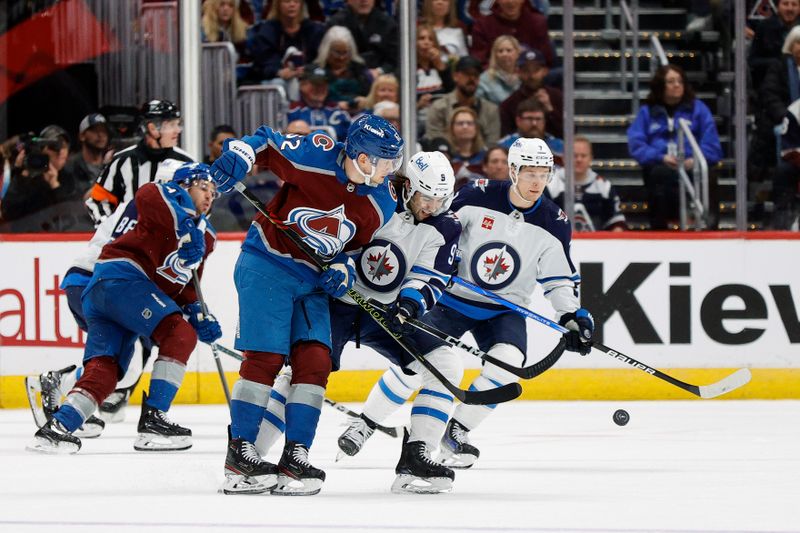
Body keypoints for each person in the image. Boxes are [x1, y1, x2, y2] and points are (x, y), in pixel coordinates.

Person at [333, 137, 593, 469]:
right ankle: (366, 423)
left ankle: (457, 430)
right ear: (513, 170)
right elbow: (437, 229)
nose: (537, 181)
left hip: (503, 310)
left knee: (507, 361)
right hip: (451, 299)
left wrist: (570, 316)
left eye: (544, 173)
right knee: (418, 362)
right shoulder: (475, 196)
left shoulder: (554, 222)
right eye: (529, 172)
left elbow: (559, 279)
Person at [209, 113, 403, 496]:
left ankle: (295, 456)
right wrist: (241, 155)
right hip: (267, 263)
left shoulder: (382, 201)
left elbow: (354, 248)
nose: (390, 171)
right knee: (265, 358)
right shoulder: (315, 156)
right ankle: (239, 454)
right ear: (363, 159)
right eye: (386, 162)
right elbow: (264, 142)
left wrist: (345, 269)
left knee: (315, 360)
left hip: (313, 282)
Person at [253, 151, 463, 493]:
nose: (431, 207)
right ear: (408, 187)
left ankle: (416, 457)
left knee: (445, 364)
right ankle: (253, 458)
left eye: (440, 200)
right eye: (426, 198)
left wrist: (410, 304)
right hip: (336, 303)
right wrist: (336, 265)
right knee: (303, 373)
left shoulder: (445, 226)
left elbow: (431, 276)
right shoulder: (378, 199)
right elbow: (337, 238)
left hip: (387, 312)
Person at [26, 163, 222, 454]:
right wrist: (184, 223)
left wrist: (197, 312)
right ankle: (155, 418)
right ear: (183, 186)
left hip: (110, 293)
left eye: (214, 193)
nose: (209, 196)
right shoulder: (167, 196)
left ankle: (57, 429)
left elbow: (183, 285)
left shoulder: (205, 237)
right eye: (203, 187)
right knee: (179, 335)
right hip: (123, 280)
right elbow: (147, 194)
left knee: (108, 369)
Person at [627, 64, 723, 229]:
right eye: (671, 81)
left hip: (691, 165)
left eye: (679, 81)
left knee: (710, 173)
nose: (677, 85)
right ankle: (659, 229)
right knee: (657, 175)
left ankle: (711, 225)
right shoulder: (647, 112)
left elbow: (712, 145)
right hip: (662, 165)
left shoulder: (698, 109)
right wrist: (660, 157)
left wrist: (694, 159)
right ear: (661, 86)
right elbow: (636, 145)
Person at [85, 99, 194, 225]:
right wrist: (110, 230)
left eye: (178, 124)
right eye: (171, 125)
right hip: (131, 243)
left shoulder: (187, 164)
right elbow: (97, 202)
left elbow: (200, 206)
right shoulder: (121, 161)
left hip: (173, 243)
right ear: (152, 128)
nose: (177, 130)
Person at [547, 137, 627, 232]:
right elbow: (540, 220)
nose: (579, 160)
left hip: (596, 244)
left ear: (591, 158)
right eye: (574, 155)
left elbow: (617, 223)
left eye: (583, 155)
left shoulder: (604, 186)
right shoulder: (550, 184)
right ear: (564, 158)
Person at [247, 0, 325, 97]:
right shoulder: (267, 31)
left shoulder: (313, 30)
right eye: (287, 1)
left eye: (296, 1)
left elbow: (319, 61)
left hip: (306, 77)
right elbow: (264, 63)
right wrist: (278, 72)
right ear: (278, 5)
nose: (292, 5)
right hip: (277, 80)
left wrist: (307, 70)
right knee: (278, 84)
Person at [425, 56, 501, 145]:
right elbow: (435, 141)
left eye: (476, 75)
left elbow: (492, 144)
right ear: (455, 76)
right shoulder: (439, 107)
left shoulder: (490, 110)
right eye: (467, 74)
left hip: (482, 157)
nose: (472, 78)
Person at [469, 0, 554, 68]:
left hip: (531, 77)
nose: (510, 1)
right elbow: (479, 61)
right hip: (496, 79)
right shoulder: (482, 25)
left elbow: (546, 60)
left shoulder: (538, 22)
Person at [499, 48, 563, 138]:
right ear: (518, 72)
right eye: (526, 70)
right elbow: (506, 138)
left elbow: (569, 134)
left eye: (536, 70)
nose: (531, 75)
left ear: (545, 71)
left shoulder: (557, 97)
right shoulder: (509, 104)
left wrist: (550, 110)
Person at [326, 0, 399, 77]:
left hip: (380, 80)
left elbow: (395, 60)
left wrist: (380, 71)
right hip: (346, 78)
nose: (364, 1)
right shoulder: (336, 23)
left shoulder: (388, 24)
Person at [313, 25, 373, 113]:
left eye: (345, 52)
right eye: (337, 52)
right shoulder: (316, 70)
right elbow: (312, 99)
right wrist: (335, 105)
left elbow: (372, 95)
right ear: (327, 50)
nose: (341, 58)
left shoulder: (360, 70)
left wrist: (365, 100)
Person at [287, 65, 352, 141]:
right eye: (316, 84)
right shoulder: (291, 111)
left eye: (324, 84)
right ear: (302, 85)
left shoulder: (340, 113)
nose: (320, 88)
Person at [750, 0, 800, 91]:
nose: (790, 8)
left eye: (794, 4)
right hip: (772, 85)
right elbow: (753, 61)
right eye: (785, 4)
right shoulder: (764, 27)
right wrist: (780, 63)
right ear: (777, 7)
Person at [498, 98, 564, 163]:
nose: (534, 123)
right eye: (529, 118)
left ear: (544, 121)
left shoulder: (559, 146)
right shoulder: (504, 146)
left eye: (538, 119)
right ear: (518, 121)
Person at [65, 114, 114, 197]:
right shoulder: (70, 166)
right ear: (82, 136)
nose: (100, 135)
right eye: (95, 130)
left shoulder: (112, 163)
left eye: (104, 131)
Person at [477, 35, 522, 105]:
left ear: (517, 53)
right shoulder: (484, 80)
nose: (504, 54)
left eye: (509, 50)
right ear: (495, 55)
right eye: (500, 51)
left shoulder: (524, 77)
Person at [447, 107, 487, 184]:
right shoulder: (446, 157)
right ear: (452, 128)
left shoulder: (486, 156)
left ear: (476, 128)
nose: (465, 127)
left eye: (469, 123)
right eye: (460, 123)